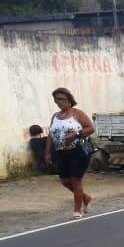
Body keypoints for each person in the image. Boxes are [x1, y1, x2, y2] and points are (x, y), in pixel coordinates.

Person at [45, 87, 94, 218]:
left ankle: (77, 210)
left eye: (62, 99)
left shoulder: (77, 113)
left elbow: (91, 128)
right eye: (57, 100)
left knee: (76, 180)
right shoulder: (55, 116)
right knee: (65, 181)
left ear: (69, 100)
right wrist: (47, 152)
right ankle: (85, 197)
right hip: (61, 152)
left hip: (78, 150)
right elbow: (51, 134)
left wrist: (75, 135)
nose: (59, 102)